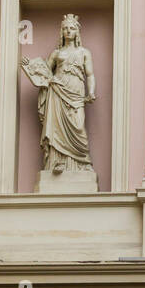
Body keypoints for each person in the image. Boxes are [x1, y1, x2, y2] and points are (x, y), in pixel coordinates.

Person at [21, 14, 95, 175]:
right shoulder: (56, 53)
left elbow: (90, 74)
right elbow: (44, 72)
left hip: (76, 92)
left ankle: (82, 163)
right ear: (62, 32)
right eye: (65, 28)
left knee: (78, 126)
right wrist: (30, 65)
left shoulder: (84, 53)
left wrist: (92, 92)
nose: (68, 31)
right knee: (57, 127)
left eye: (72, 28)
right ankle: (56, 162)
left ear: (77, 32)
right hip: (57, 91)